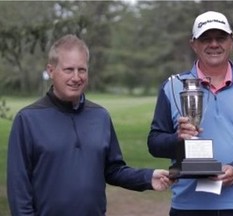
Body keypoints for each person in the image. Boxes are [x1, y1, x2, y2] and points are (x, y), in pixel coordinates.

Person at [7, 34, 173, 216]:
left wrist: (148, 178)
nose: (76, 77)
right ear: (51, 70)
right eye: (69, 70)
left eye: (82, 70)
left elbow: (113, 170)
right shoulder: (28, 119)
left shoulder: (100, 116)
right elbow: (18, 188)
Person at [147, 11, 233, 216]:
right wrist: (178, 139)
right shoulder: (172, 87)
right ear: (193, 44)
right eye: (206, 39)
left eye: (221, 38)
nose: (214, 44)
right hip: (188, 206)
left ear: (231, 41)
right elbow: (155, 143)